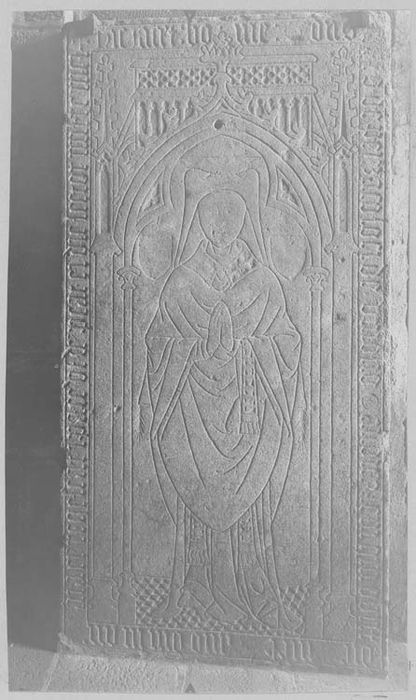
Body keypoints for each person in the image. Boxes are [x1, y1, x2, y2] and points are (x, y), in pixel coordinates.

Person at [141, 189, 304, 631]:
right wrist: (193, 346)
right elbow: (156, 338)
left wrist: (250, 346)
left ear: (241, 225)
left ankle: (255, 588)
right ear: (201, 224)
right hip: (191, 409)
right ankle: (192, 584)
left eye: (229, 222)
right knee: (191, 498)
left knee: (252, 504)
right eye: (213, 221)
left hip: (249, 409)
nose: (220, 230)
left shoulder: (264, 282)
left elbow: (289, 339)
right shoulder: (180, 281)